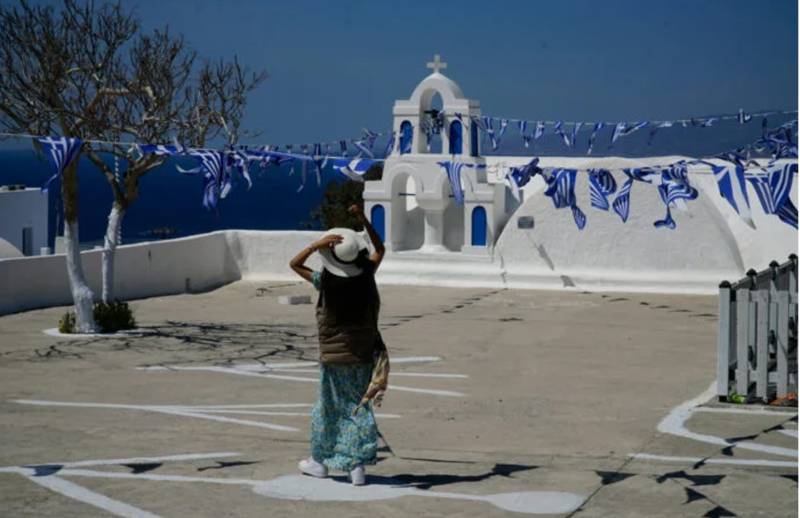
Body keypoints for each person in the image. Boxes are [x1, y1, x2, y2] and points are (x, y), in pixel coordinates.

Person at [289, 204, 387, 486]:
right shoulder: (367, 276)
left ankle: (319, 461)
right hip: (363, 353)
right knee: (357, 406)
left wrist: (314, 246)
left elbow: (295, 264)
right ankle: (356, 466)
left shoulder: (324, 282)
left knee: (328, 407)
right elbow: (380, 249)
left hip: (333, 357)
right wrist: (363, 219)